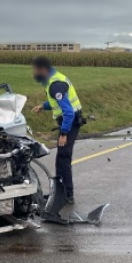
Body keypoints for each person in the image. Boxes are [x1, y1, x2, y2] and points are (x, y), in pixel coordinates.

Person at [30, 57, 83, 204]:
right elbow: (57, 101)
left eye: (35, 70)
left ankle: (66, 195)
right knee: (61, 158)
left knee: (63, 158)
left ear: (43, 70)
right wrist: (43, 106)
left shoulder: (55, 85)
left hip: (70, 122)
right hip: (69, 121)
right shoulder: (54, 80)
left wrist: (64, 133)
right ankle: (61, 193)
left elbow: (69, 112)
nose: (34, 73)